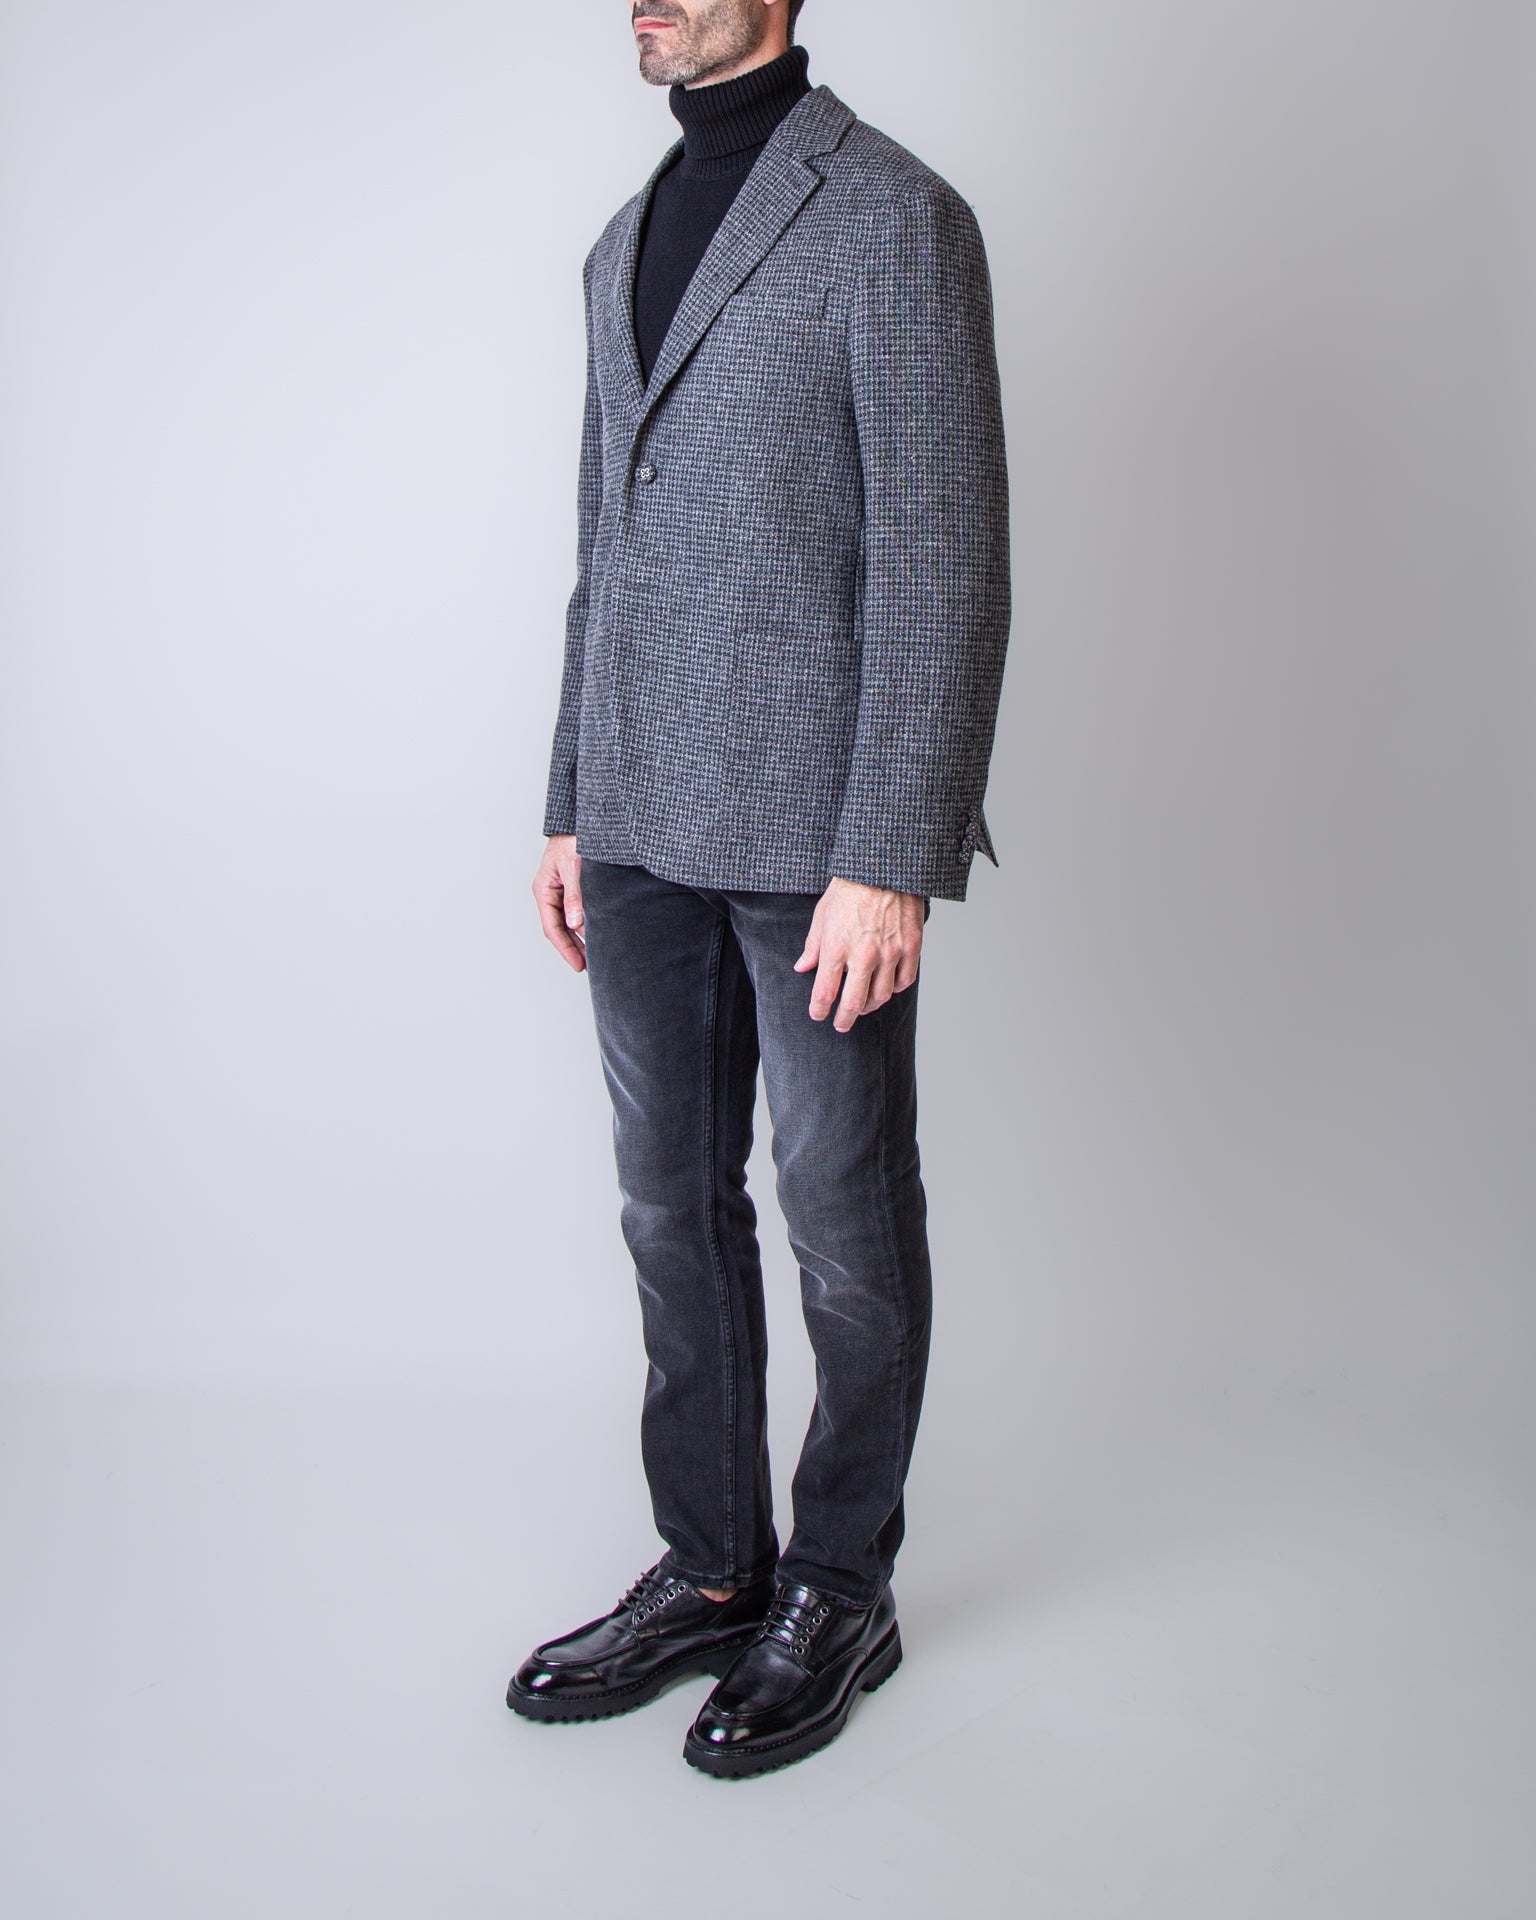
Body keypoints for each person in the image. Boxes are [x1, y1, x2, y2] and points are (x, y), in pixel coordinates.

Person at [507, 0, 1010, 1779]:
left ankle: (840, 1587)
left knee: (841, 1221)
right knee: (669, 1206)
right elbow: (607, 549)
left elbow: (947, 555)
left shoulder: (895, 217)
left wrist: (896, 850)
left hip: (817, 838)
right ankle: (715, 1570)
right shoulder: (620, 239)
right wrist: (570, 800)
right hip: (638, 815)